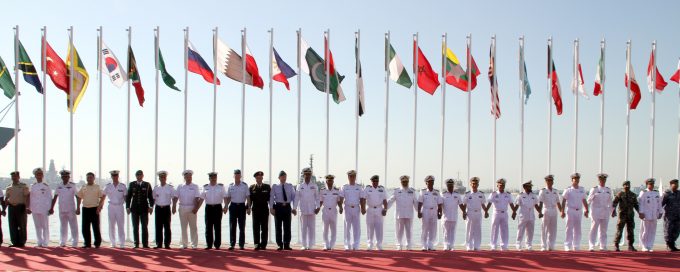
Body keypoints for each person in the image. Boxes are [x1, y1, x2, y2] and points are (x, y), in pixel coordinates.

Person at [387, 175, 418, 250]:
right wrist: (385, 208)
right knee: (399, 230)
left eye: (406, 181)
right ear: (401, 182)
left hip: (409, 214)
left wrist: (419, 211)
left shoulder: (412, 191)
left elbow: (415, 202)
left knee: (409, 230)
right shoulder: (397, 191)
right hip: (399, 214)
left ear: (408, 182)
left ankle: (409, 245)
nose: (405, 183)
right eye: (403, 182)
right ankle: (399, 244)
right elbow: (391, 200)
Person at [50, 170, 79, 247]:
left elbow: (78, 197)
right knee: (63, 226)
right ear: (61, 177)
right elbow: (55, 197)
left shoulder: (73, 185)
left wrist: (78, 207)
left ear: (69, 177)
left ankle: (75, 242)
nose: (65, 178)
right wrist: (51, 208)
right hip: (61, 208)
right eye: (63, 176)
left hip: (71, 209)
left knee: (73, 226)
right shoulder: (58, 185)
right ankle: (63, 241)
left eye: (66, 176)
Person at [126, 170, 154, 248]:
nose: (139, 176)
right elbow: (128, 197)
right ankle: (136, 243)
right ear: (136, 176)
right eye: (137, 175)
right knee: (135, 226)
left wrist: (151, 207)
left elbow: (150, 197)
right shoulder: (132, 184)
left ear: (143, 176)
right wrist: (127, 207)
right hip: (134, 209)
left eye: (140, 175)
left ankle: (145, 244)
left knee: (144, 226)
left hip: (144, 209)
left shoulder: (147, 185)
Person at [561, 172, 589, 251]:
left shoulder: (582, 189)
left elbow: (584, 200)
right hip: (570, 210)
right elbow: (563, 200)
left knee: (578, 228)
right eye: (575, 179)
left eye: (578, 179)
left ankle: (576, 245)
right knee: (569, 228)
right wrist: (562, 211)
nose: (576, 180)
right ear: (572, 180)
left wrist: (587, 209)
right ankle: (567, 245)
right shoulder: (568, 190)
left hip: (579, 211)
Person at [77, 172, 105, 248]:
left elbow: (102, 197)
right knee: (85, 228)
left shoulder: (97, 187)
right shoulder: (83, 187)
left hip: (94, 209)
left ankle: (97, 243)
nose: (89, 179)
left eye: (90, 177)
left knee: (95, 227)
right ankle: (87, 243)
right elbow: (79, 197)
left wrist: (99, 207)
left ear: (93, 178)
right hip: (85, 209)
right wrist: (78, 207)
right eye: (88, 177)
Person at [201, 172, 228, 250]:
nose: (213, 179)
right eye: (212, 178)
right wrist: (196, 208)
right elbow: (202, 198)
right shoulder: (205, 187)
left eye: (215, 178)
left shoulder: (220, 187)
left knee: (217, 226)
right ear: (209, 178)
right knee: (208, 226)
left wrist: (226, 206)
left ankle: (217, 244)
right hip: (208, 208)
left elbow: (225, 197)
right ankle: (209, 244)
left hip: (217, 208)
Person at [294, 167, 319, 250]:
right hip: (303, 209)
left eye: (309, 174)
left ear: (311, 175)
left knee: (312, 228)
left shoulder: (314, 186)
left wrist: (318, 207)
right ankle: (304, 245)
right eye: (306, 174)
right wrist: (294, 208)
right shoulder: (299, 186)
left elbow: (317, 198)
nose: (307, 176)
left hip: (312, 209)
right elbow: (297, 198)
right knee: (303, 228)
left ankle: (311, 244)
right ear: (303, 175)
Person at [487, 178, 515, 251]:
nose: (501, 186)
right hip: (496, 213)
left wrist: (514, 212)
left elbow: (511, 203)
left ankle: (504, 245)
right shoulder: (493, 194)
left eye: (503, 185)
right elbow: (489, 203)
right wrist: (486, 211)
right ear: (497, 185)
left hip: (504, 213)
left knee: (504, 230)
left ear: (504, 186)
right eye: (500, 185)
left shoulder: (508, 194)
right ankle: (493, 245)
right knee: (494, 229)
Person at [175, 170, 201, 249]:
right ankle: (184, 244)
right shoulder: (180, 186)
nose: (189, 178)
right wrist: (173, 206)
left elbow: (197, 198)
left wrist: (196, 208)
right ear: (184, 177)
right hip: (182, 207)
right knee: (183, 227)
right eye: (187, 177)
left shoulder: (195, 186)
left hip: (192, 207)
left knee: (193, 227)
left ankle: (194, 244)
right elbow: (176, 197)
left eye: (190, 176)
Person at [270, 170, 295, 250]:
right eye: (282, 177)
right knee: (278, 227)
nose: (284, 178)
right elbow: (271, 198)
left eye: (285, 176)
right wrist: (271, 208)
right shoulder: (275, 186)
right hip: (278, 207)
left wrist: (294, 207)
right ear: (279, 178)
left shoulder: (290, 186)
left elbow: (293, 197)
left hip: (287, 207)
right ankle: (279, 244)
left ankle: (287, 244)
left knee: (287, 226)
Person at [513, 180, 541, 251]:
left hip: (531, 215)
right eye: (528, 186)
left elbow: (536, 205)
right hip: (523, 215)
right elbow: (516, 205)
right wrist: (514, 212)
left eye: (530, 186)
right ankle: (518, 244)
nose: (530, 188)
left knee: (530, 231)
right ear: (524, 187)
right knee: (520, 230)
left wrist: (540, 212)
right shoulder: (521, 195)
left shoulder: (533, 195)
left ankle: (528, 244)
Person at [588, 173, 613, 251]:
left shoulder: (608, 190)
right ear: (598, 180)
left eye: (604, 179)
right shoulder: (594, 189)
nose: (602, 181)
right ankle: (591, 245)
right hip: (595, 212)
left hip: (605, 212)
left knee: (604, 230)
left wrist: (612, 211)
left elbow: (610, 202)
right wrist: (586, 210)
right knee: (593, 229)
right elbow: (588, 200)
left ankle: (603, 245)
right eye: (601, 179)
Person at [612, 180, 639, 251]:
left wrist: (640, 212)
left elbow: (636, 205)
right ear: (623, 186)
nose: (627, 186)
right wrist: (613, 211)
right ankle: (616, 245)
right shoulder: (620, 194)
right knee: (619, 230)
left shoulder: (633, 195)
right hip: (622, 215)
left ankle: (630, 245)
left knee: (631, 230)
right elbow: (614, 203)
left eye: (628, 185)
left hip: (630, 215)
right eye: (626, 185)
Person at [226, 169, 250, 250]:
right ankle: (232, 244)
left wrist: (249, 207)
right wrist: (225, 206)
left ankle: (241, 244)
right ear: (233, 176)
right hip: (233, 206)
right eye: (235, 175)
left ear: (240, 176)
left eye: (238, 175)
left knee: (242, 226)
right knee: (232, 226)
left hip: (242, 207)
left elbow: (248, 197)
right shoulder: (230, 185)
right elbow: (228, 197)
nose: (237, 176)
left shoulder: (244, 185)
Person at [341, 170, 365, 250]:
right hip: (347, 208)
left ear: (355, 177)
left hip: (356, 208)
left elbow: (362, 198)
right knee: (347, 227)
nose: (352, 178)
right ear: (348, 177)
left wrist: (363, 208)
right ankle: (347, 245)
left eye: (353, 176)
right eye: (350, 176)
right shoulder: (344, 187)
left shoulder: (359, 187)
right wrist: (340, 207)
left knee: (356, 227)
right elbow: (341, 197)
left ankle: (356, 244)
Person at [462, 177, 488, 251]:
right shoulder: (467, 194)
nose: (474, 185)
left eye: (476, 183)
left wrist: (486, 211)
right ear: (470, 184)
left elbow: (483, 204)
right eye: (473, 183)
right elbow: (464, 204)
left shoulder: (481, 194)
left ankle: (477, 246)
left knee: (478, 230)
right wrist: (463, 213)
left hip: (478, 213)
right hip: (469, 213)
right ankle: (469, 246)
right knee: (469, 230)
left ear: (478, 184)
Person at [5, 171, 29, 247]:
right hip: (11, 207)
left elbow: (28, 196)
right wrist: (4, 208)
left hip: (21, 207)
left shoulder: (23, 186)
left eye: (15, 176)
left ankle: (22, 242)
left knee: (22, 225)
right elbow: (7, 198)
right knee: (12, 225)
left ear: (18, 177)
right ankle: (14, 242)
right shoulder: (9, 187)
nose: (14, 178)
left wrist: (27, 207)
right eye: (12, 177)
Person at [538, 174, 562, 251]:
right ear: (546, 182)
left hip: (554, 210)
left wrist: (561, 211)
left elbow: (558, 202)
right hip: (546, 210)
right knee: (544, 228)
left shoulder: (555, 191)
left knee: (553, 229)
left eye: (551, 180)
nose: (549, 182)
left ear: (553, 182)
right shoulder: (543, 191)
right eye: (548, 180)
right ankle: (543, 246)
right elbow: (540, 202)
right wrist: (540, 212)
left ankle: (551, 245)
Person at [29, 168, 52, 247]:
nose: (39, 176)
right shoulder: (32, 186)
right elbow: (30, 197)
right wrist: (29, 208)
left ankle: (45, 242)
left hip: (44, 208)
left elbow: (49, 197)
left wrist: (49, 208)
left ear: (42, 175)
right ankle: (39, 241)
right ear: (35, 176)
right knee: (37, 226)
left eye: (40, 174)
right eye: (37, 174)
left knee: (45, 225)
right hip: (35, 208)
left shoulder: (46, 186)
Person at [152, 170, 176, 249]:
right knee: (158, 226)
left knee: (167, 226)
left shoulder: (170, 188)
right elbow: (153, 199)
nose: (162, 178)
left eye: (164, 177)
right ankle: (159, 244)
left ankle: (167, 244)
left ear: (166, 178)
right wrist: (151, 207)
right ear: (159, 178)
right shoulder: (156, 188)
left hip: (166, 208)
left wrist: (174, 206)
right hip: (158, 208)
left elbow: (174, 198)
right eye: (161, 177)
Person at [103, 170, 126, 248]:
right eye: (113, 176)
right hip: (111, 206)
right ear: (111, 177)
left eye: (116, 175)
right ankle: (113, 242)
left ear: (118, 176)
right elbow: (103, 196)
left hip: (120, 206)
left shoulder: (123, 186)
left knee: (121, 225)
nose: (114, 177)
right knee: (111, 225)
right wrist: (100, 206)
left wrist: (128, 207)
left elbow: (126, 197)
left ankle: (122, 242)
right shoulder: (108, 186)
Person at [418, 175, 442, 251]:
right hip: (425, 211)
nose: (431, 183)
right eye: (429, 182)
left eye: (432, 182)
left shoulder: (437, 192)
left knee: (433, 228)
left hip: (434, 211)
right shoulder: (423, 191)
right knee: (425, 228)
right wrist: (419, 212)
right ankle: (424, 245)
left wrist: (439, 212)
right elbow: (420, 203)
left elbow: (439, 203)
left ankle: (431, 245)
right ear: (426, 183)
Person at [249, 171, 271, 250]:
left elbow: (270, 199)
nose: (259, 179)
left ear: (262, 178)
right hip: (255, 210)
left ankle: (264, 244)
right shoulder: (252, 188)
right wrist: (248, 207)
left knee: (264, 227)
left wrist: (272, 207)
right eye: (258, 178)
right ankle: (256, 244)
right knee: (256, 227)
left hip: (264, 210)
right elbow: (250, 200)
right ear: (255, 179)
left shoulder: (267, 187)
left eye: (260, 178)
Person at [365, 175, 388, 250]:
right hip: (370, 209)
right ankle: (370, 244)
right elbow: (363, 199)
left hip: (379, 209)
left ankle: (379, 244)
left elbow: (385, 200)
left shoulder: (381, 189)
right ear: (371, 181)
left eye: (376, 181)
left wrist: (385, 209)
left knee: (379, 227)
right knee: (369, 227)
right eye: (373, 181)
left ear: (378, 182)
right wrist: (363, 208)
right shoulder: (368, 189)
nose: (375, 182)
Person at [638, 178, 662, 252]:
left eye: (652, 184)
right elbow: (640, 203)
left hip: (654, 214)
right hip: (646, 214)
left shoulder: (656, 193)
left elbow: (659, 204)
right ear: (647, 184)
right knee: (645, 231)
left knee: (652, 231)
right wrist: (641, 212)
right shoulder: (643, 192)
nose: (651, 185)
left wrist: (660, 212)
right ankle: (644, 245)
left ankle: (650, 245)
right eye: (650, 184)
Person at [319, 174, 343, 250]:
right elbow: (320, 201)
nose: (330, 182)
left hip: (333, 210)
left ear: (333, 181)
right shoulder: (322, 190)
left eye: (331, 180)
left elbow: (338, 201)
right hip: (325, 210)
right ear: (326, 181)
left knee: (333, 229)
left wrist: (340, 207)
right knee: (325, 229)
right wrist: (318, 208)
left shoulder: (336, 190)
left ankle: (332, 244)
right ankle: (326, 244)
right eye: (328, 180)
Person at [441, 178, 464, 251]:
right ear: (447, 186)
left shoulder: (457, 195)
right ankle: (446, 245)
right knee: (445, 232)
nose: (450, 187)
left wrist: (464, 212)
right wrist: (439, 212)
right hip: (445, 216)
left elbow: (461, 204)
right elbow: (440, 205)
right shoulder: (443, 194)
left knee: (453, 231)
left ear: (453, 186)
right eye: (448, 185)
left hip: (454, 216)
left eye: (451, 185)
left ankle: (452, 245)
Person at [662, 179, 680, 251]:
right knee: (668, 231)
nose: (676, 185)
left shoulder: (679, 193)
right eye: (674, 184)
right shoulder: (667, 194)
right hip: (669, 217)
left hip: (678, 216)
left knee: (676, 231)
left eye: (677, 184)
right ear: (671, 184)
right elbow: (661, 204)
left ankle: (672, 244)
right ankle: (669, 244)